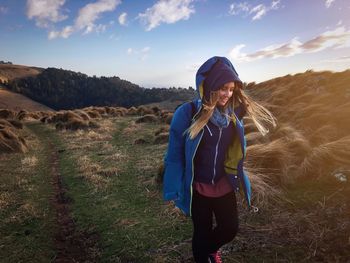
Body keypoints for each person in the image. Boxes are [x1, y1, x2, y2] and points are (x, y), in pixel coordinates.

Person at [163, 56, 276, 263]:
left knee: (229, 229)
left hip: (224, 184)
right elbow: (174, 155)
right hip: (198, 188)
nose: (228, 94)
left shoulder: (232, 114)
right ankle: (203, 256)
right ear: (211, 86)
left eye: (231, 89)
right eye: (223, 88)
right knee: (202, 232)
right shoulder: (187, 113)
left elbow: (242, 103)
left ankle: (208, 251)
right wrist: (174, 188)